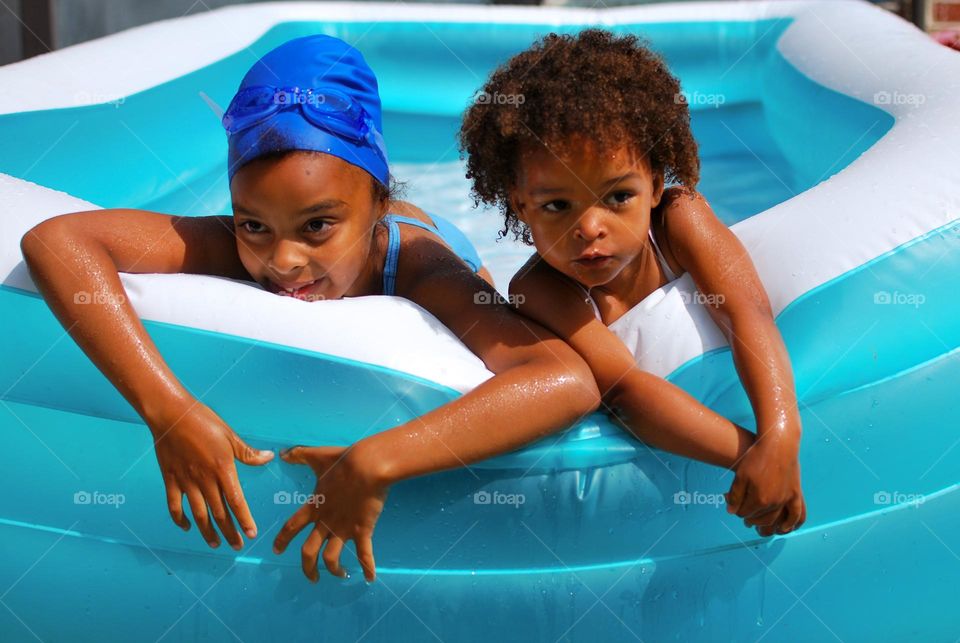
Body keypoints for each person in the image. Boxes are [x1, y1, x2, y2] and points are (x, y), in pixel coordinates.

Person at [20, 34, 600, 582]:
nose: (283, 260)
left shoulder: (420, 267)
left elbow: (565, 381)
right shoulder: (239, 241)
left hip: (449, 246)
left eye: (318, 225)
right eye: (253, 224)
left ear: (379, 202)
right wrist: (168, 409)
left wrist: (376, 459)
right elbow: (56, 242)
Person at [459, 29, 806, 537]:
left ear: (656, 185)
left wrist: (781, 434)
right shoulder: (540, 290)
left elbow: (745, 312)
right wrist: (748, 455)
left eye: (618, 196)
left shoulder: (679, 220)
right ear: (519, 204)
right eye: (557, 206)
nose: (591, 227)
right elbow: (624, 389)